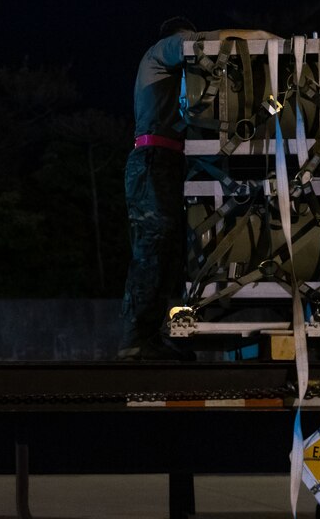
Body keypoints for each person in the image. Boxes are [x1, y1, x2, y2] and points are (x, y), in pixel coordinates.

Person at [118, 18, 280, 359]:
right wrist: (265, 37)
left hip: (168, 161)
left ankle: (157, 335)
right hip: (154, 160)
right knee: (153, 249)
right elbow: (210, 41)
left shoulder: (171, 77)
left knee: (175, 254)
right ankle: (135, 341)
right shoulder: (162, 50)